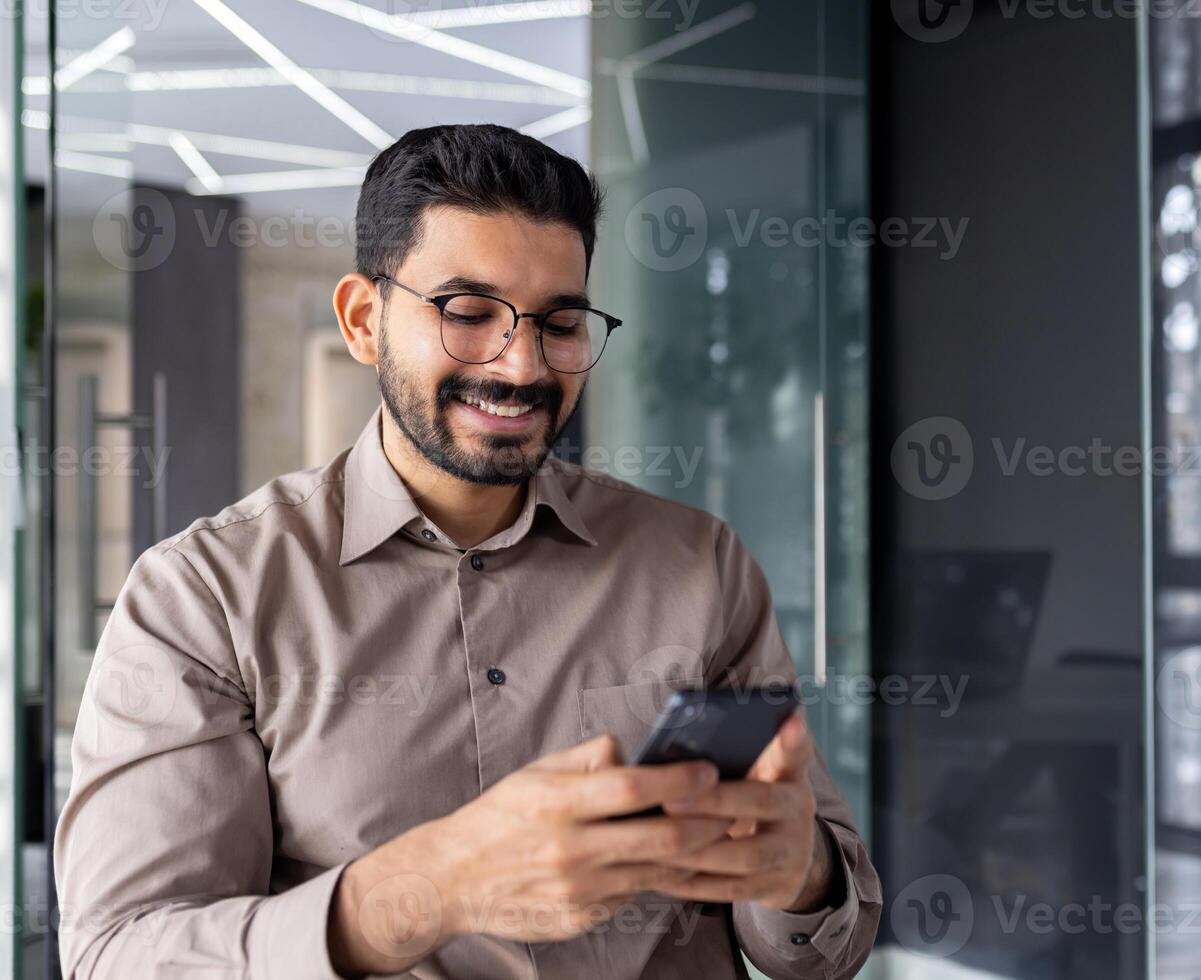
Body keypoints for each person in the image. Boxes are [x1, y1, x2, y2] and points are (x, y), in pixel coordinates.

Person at [53, 123, 881, 979]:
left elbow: (828, 945)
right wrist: (433, 888)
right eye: (469, 313)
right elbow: (120, 956)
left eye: (561, 322)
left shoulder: (700, 565)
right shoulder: (203, 598)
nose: (521, 365)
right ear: (363, 320)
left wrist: (801, 877)